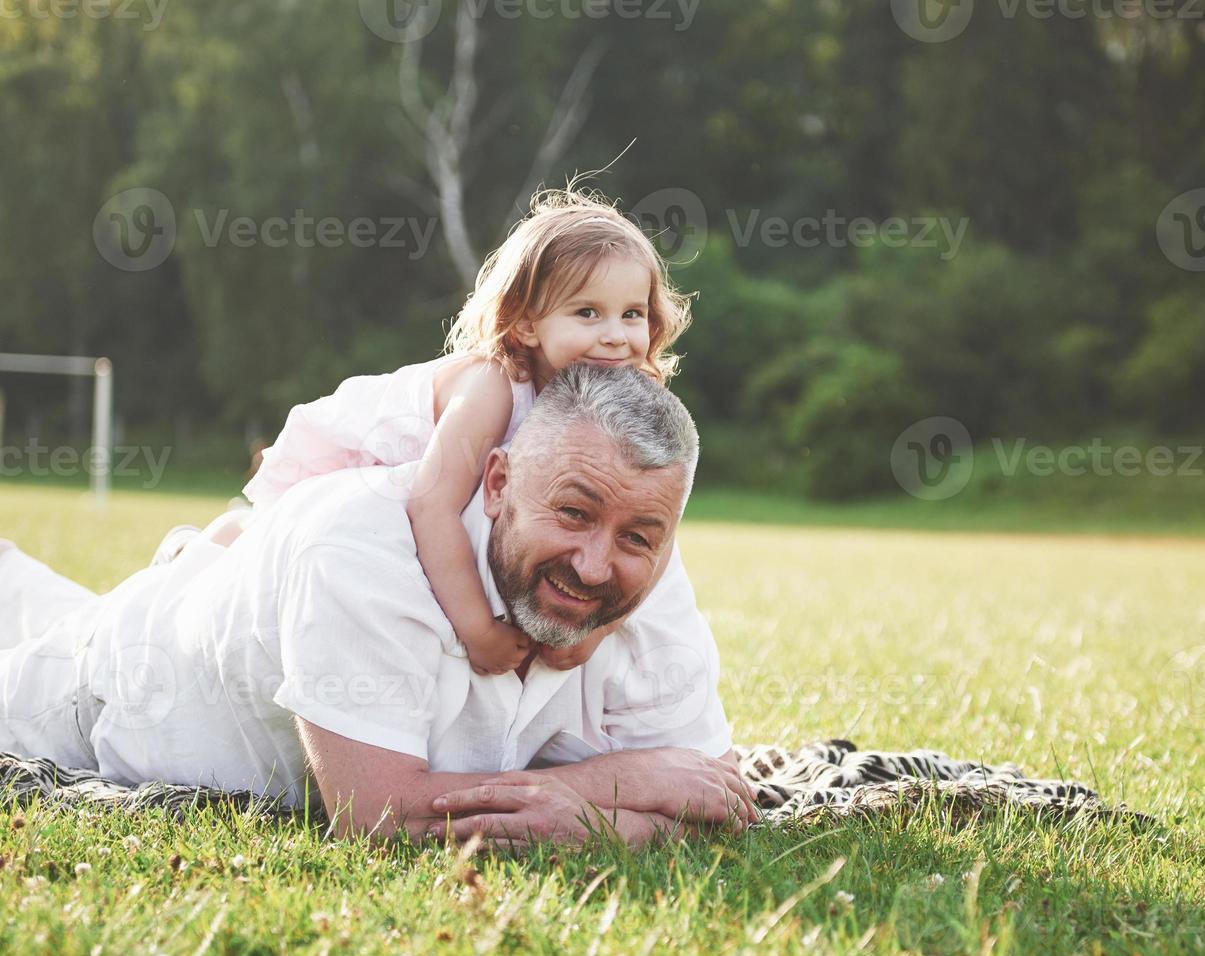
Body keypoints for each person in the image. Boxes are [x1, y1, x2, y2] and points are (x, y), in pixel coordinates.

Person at [0, 365, 757, 846]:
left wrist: (600, 814)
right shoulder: (359, 553)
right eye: (572, 513)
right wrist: (605, 794)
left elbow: (713, 796)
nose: (596, 565)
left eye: (637, 537)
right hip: (95, 693)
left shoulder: (650, 580)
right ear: (496, 484)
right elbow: (380, 818)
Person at [232, 187, 692, 677]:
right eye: (587, 312)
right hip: (374, 466)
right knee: (252, 543)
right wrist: (479, 631)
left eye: (632, 314)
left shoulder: (626, 400)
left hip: (447, 486)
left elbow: (659, 539)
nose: (615, 336)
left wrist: (594, 635)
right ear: (526, 324)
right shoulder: (494, 388)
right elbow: (432, 505)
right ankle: (217, 538)